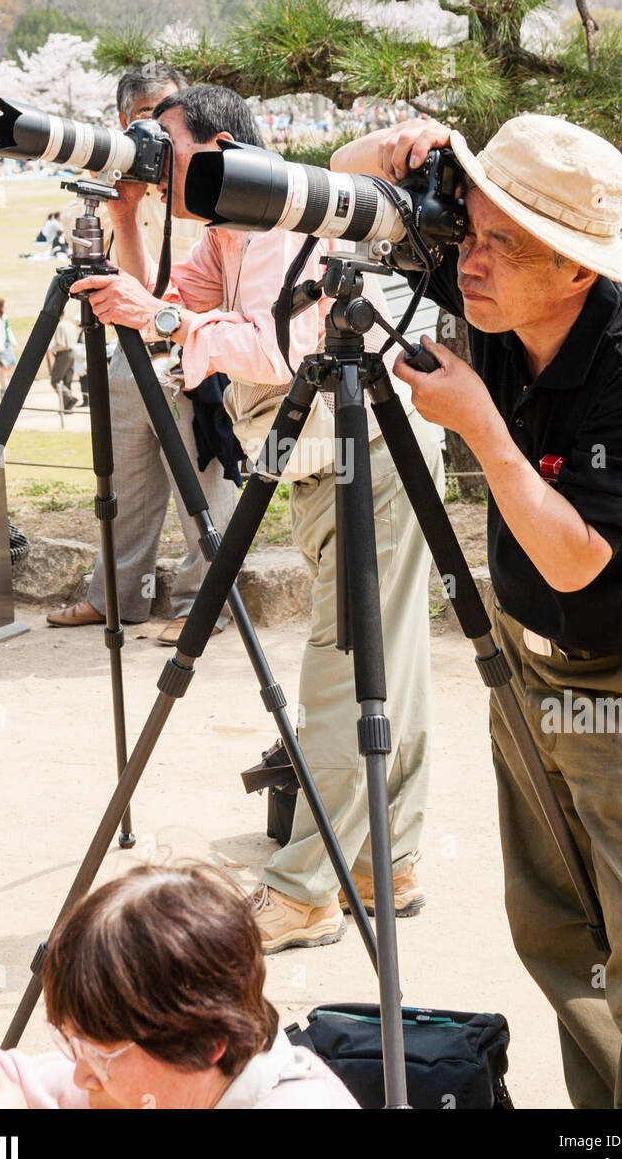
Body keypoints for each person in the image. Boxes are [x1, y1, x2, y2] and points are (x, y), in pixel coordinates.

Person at [332, 112, 622, 1109]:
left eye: (503, 240)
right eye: (470, 227)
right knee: (554, 929)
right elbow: (325, 205)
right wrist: (376, 150)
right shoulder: (490, 286)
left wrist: (479, 423)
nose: (469, 258)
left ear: (573, 270)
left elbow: (573, 558)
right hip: (530, 662)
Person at [74, 84, 444, 953]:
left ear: (225, 149)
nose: (160, 163)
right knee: (392, 662)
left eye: (169, 148)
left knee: (343, 671)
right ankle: (387, 861)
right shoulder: (221, 231)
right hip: (324, 462)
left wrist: (165, 318)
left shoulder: (284, 216)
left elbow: (283, 346)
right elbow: (166, 296)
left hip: (370, 456)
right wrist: (131, 216)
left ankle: (307, 891)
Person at [0, 863, 359, 1110]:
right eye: (69, 1042)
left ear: (208, 1044)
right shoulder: (157, 1079)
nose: (82, 1076)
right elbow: (37, 1083)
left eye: (98, 1053)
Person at [47, 66, 239, 646]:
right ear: (122, 124)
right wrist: (120, 211)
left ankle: (200, 607)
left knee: (203, 491)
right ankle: (114, 598)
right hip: (133, 350)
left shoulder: (206, 187)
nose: (155, 142)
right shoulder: (118, 186)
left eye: (167, 122)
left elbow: (177, 298)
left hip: (196, 347)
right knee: (124, 483)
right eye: (143, 126)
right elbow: (131, 290)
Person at [47, 304, 79, 410]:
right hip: (73, 352)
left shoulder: (60, 326)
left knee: (55, 380)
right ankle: (67, 407)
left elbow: (61, 344)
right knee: (67, 380)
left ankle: (70, 398)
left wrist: (52, 350)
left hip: (64, 353)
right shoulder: (70, 324)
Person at [0, 297, 18, 395]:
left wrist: (13, 341)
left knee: (11, 364)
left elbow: (8, 329)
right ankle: (1, 386)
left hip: (7, 344)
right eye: (4, 305)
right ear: (0, 306)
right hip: (0, 347)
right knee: (5, 365)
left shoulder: (4, 317)